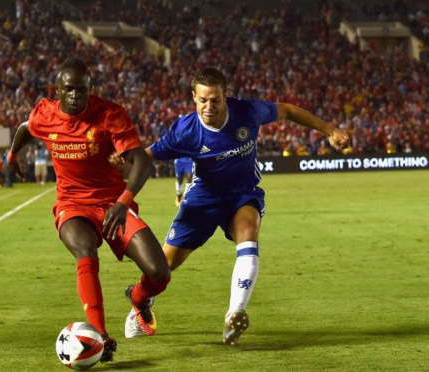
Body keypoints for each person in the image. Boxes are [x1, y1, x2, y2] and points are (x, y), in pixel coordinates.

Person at [114, 67, 349, 345]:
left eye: (214, 100)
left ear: (225, 96)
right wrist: (118, 160)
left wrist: (330, 130)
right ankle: (139, 301)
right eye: (202, 100)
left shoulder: (247, 112)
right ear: (193, 98)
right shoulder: (185, 131)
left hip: (242, 195)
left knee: (248, 232)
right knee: (163, 267)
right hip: (203, 199)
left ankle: (234, 314)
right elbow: (148, 155)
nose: (208, 106)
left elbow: (287, 110)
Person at [7, 58, 171, 363]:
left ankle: (137, 297)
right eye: (68, 89)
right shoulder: (46, 113)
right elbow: (26, 128)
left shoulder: (109, 115)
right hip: (71, 203)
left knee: (160, 273)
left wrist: (122, 202)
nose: (74, 95)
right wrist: (14, 154)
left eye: (80, 89)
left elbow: (142, 162)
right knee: (85, 251)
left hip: (112, 204)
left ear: (89, 88)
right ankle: (99, 335)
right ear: (57, 90)